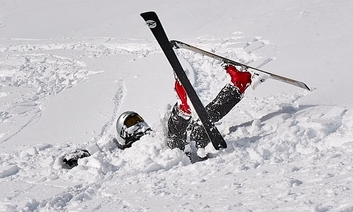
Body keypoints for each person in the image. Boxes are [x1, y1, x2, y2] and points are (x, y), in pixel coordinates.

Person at [61, 64, 252, 168]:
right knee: (175, 133)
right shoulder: (117, 153)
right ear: (122, 132)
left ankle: (237, 86)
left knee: (204, 119)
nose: (138, 124)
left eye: (137, 120)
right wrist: (80, 157)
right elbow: (95, 157)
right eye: (131, 122)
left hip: (187, 145)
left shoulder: (151, 138)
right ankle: (183, 109)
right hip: (170, 152)